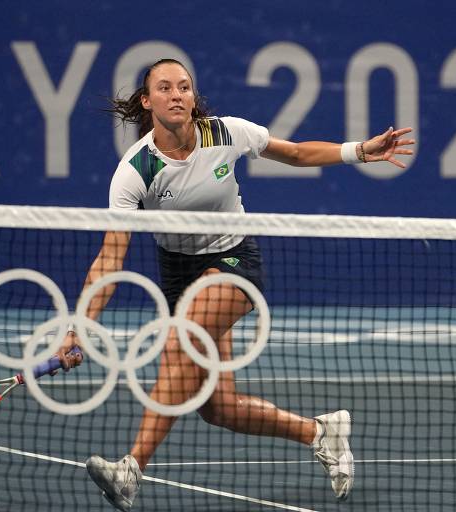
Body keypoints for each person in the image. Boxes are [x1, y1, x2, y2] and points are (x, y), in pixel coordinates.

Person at [57, 58, 415, 511]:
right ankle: (321, 432)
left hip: (233, 259)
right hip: (178, 272)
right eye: (165, 88)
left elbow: (298, 153)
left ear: (193, 96)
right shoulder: (135, 171)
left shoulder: (226, 133)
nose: (177, 95)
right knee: (218, 407)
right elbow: (110, 258)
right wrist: (78, 328)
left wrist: (360, 151)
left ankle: (131, 471)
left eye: (184, 87)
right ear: (147, 101)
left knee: (180, 341)